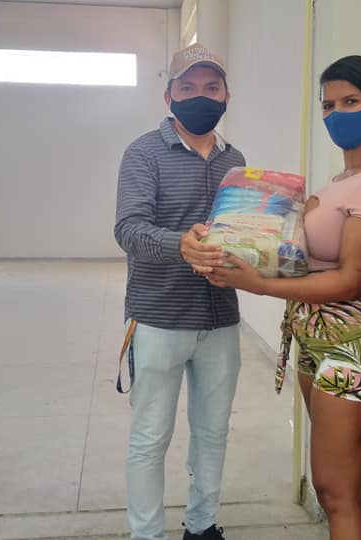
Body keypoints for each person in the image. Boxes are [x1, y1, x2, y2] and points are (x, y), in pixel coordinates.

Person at [203, 56, 361, 540]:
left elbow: (350, 280)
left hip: (350, 346)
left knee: (338, 487)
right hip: (316, 340)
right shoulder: (345, 179)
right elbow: (310, 257)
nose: (336, 114)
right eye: (328, 105)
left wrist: (258, 285)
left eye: (350, 102)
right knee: (336, 485)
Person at [113, 43, 245, 540]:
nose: (200, 96)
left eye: (211, 87)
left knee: (213, 431)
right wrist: (181, 245)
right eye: (187, 88)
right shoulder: (144, 152)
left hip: (219, 317)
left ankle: (202, 525)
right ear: (169, 97)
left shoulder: (236, 160)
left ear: (227, 95)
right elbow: (129, 228)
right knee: (150, 437)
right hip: (158, 317)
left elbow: (241, 233)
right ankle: (146, 534)